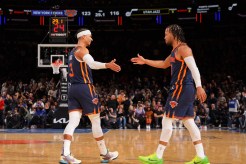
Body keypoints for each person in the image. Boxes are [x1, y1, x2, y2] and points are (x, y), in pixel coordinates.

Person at [131, 24, 210, 164]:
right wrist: (145, 61)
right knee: (188, 121)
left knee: (166, 119)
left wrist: (199, 86)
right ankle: (201, 157)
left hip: (181, 88)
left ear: (174, 34)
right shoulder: (175, 51)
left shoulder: (184, 49)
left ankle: (158, 156)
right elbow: (163, 64)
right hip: (182, 89)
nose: (164, 36)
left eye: (166, 34)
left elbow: (194, 68)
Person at [60, 28, 121, 164]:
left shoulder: (71, 53)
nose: (91, 39)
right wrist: (107, 65)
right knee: (95, 120)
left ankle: (65, 154)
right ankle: (104, 154)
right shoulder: (82, 50)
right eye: (90, 36)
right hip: (84, 87)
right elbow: (92, 64)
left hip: (73, 89)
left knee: (73, 121)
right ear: (83, 37)